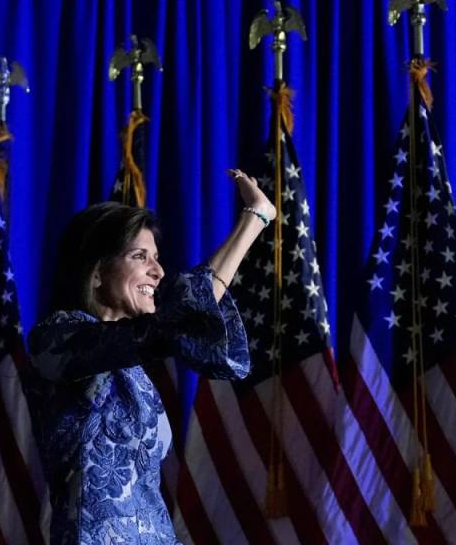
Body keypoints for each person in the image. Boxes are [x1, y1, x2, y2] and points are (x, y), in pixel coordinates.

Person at [25, 169, 275, 544]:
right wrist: (253, 220)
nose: (158, 271)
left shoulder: (134, 369)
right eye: (140, 256)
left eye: (156, 258)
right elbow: (173, 322)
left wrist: (254, 219)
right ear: (97, 272)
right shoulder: (56, 338)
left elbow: (181, 319)